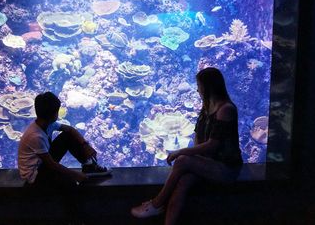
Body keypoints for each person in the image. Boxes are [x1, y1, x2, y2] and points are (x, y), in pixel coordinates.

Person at [131, 67, 243, 225]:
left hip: (226, 168)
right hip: (208, 165)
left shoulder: (226, 110)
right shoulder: (207, 107)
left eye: (200, 85)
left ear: (209, 86)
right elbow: (199, 137)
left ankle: (156, 204)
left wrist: (180, 152)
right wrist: (196, 160)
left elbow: (212, 145)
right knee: (182, 183)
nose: (197, 89)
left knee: (182, 160)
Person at [18, 91, 111, 189]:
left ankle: (89, 166)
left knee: (67, 135)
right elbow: (51, 165)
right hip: (34, 175)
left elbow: (70, 130)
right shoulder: (35, 136)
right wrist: (74, 174)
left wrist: (85, 145)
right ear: (53, 114)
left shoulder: (47, 123)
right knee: (70, 183)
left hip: (42, 164)